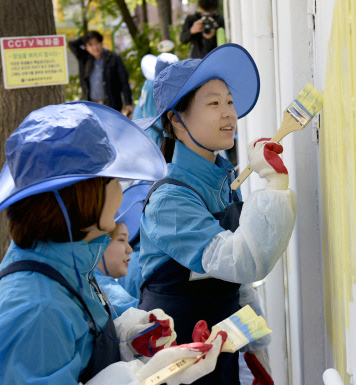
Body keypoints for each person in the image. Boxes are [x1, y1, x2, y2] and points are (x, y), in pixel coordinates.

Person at [0, 102, 225, 385]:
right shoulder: (36, 309)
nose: (121, 190)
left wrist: (126, 340)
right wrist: (140, 377)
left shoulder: (61, 256)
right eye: (113, 180)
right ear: (82, 196)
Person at [135, 43, 297, 384]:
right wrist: (275, 184)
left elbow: (239, 287)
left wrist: (257, 350)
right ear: (176, 121)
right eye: (213, 103)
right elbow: (244, 261)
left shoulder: (226, 181)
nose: (228, 113)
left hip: (224, 351)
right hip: (179, 362)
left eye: (229, 101)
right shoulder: (170, 201)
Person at [68, 31, 134, 116]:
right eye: (90, 45)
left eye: (96, 43)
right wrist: (86, 37)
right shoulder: (85, 59)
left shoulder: (113, 58)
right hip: (92, 106)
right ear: (86, 47)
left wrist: (128, 102)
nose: (94, 47)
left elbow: (124, 81)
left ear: (101, 43)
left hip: (112, 106)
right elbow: (71, 44)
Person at [133, 53, 179, 147]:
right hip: (150, 132)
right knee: (160, 159)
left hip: (151, 129)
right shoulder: (153, 88)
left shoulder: (152, 82)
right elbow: (156, 119)